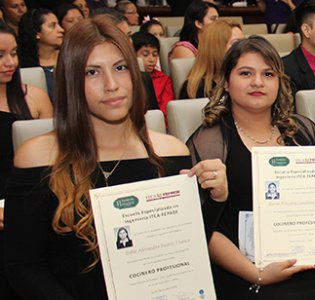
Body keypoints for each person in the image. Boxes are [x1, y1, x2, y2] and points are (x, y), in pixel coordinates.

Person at [3, 18, 228, 300]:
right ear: (71, 81)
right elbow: (22, 267)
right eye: (92, 72)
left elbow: (182, 251)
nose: (111, 85)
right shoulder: (38, 158)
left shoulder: (170, 152)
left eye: (120, 68)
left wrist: (215, 201)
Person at [186, 36, 315, 300]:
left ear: (279, 82)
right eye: (246, 73)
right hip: (247, 269)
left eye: (268, 74)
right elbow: (205, 230)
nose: (258, 82)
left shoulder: (303, 130)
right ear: (226, 82)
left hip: (314, 259)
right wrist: (257, 274)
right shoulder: (210, 142)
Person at [0, 22, 53, 300]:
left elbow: (55, 158)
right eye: (0, 55)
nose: (9, 63)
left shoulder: (34, 97)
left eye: (14, 53)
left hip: (36, 196)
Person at [180, 20, 243, 99]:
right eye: (236, 43)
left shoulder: (247, 81)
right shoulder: (198, 90)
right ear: (216, 49)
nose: (244, 48)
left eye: (244, 42)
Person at [18, 8, 63, 102]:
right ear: (36, 33)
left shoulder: (69, 58)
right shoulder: (23, 65)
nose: (61, 30)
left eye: (59, 25)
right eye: (52, 26)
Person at [133, 31, 173, 114]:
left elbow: (165, 112)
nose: (151, 60)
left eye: (155, 55)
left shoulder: (164, 80)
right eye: (145, 54)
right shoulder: (127, 78)